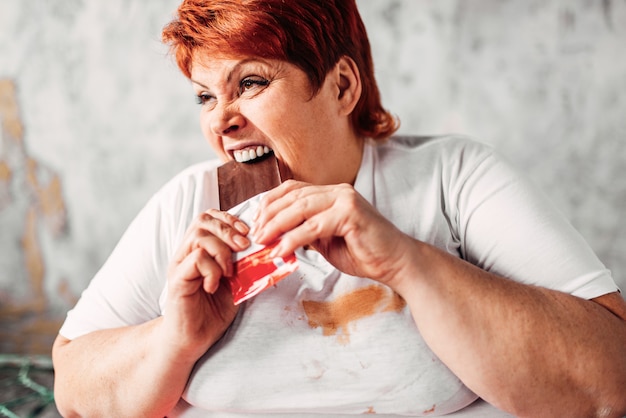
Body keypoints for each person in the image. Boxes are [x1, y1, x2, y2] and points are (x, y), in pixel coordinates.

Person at [52, 0, 626, 417]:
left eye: (250, 82)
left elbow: (611, 380)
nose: (219, 120)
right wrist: (174, 339)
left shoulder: (453, 178)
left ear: (343, 87)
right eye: (206, 95)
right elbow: (73, 388)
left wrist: (407, 264)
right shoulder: (190, 204)